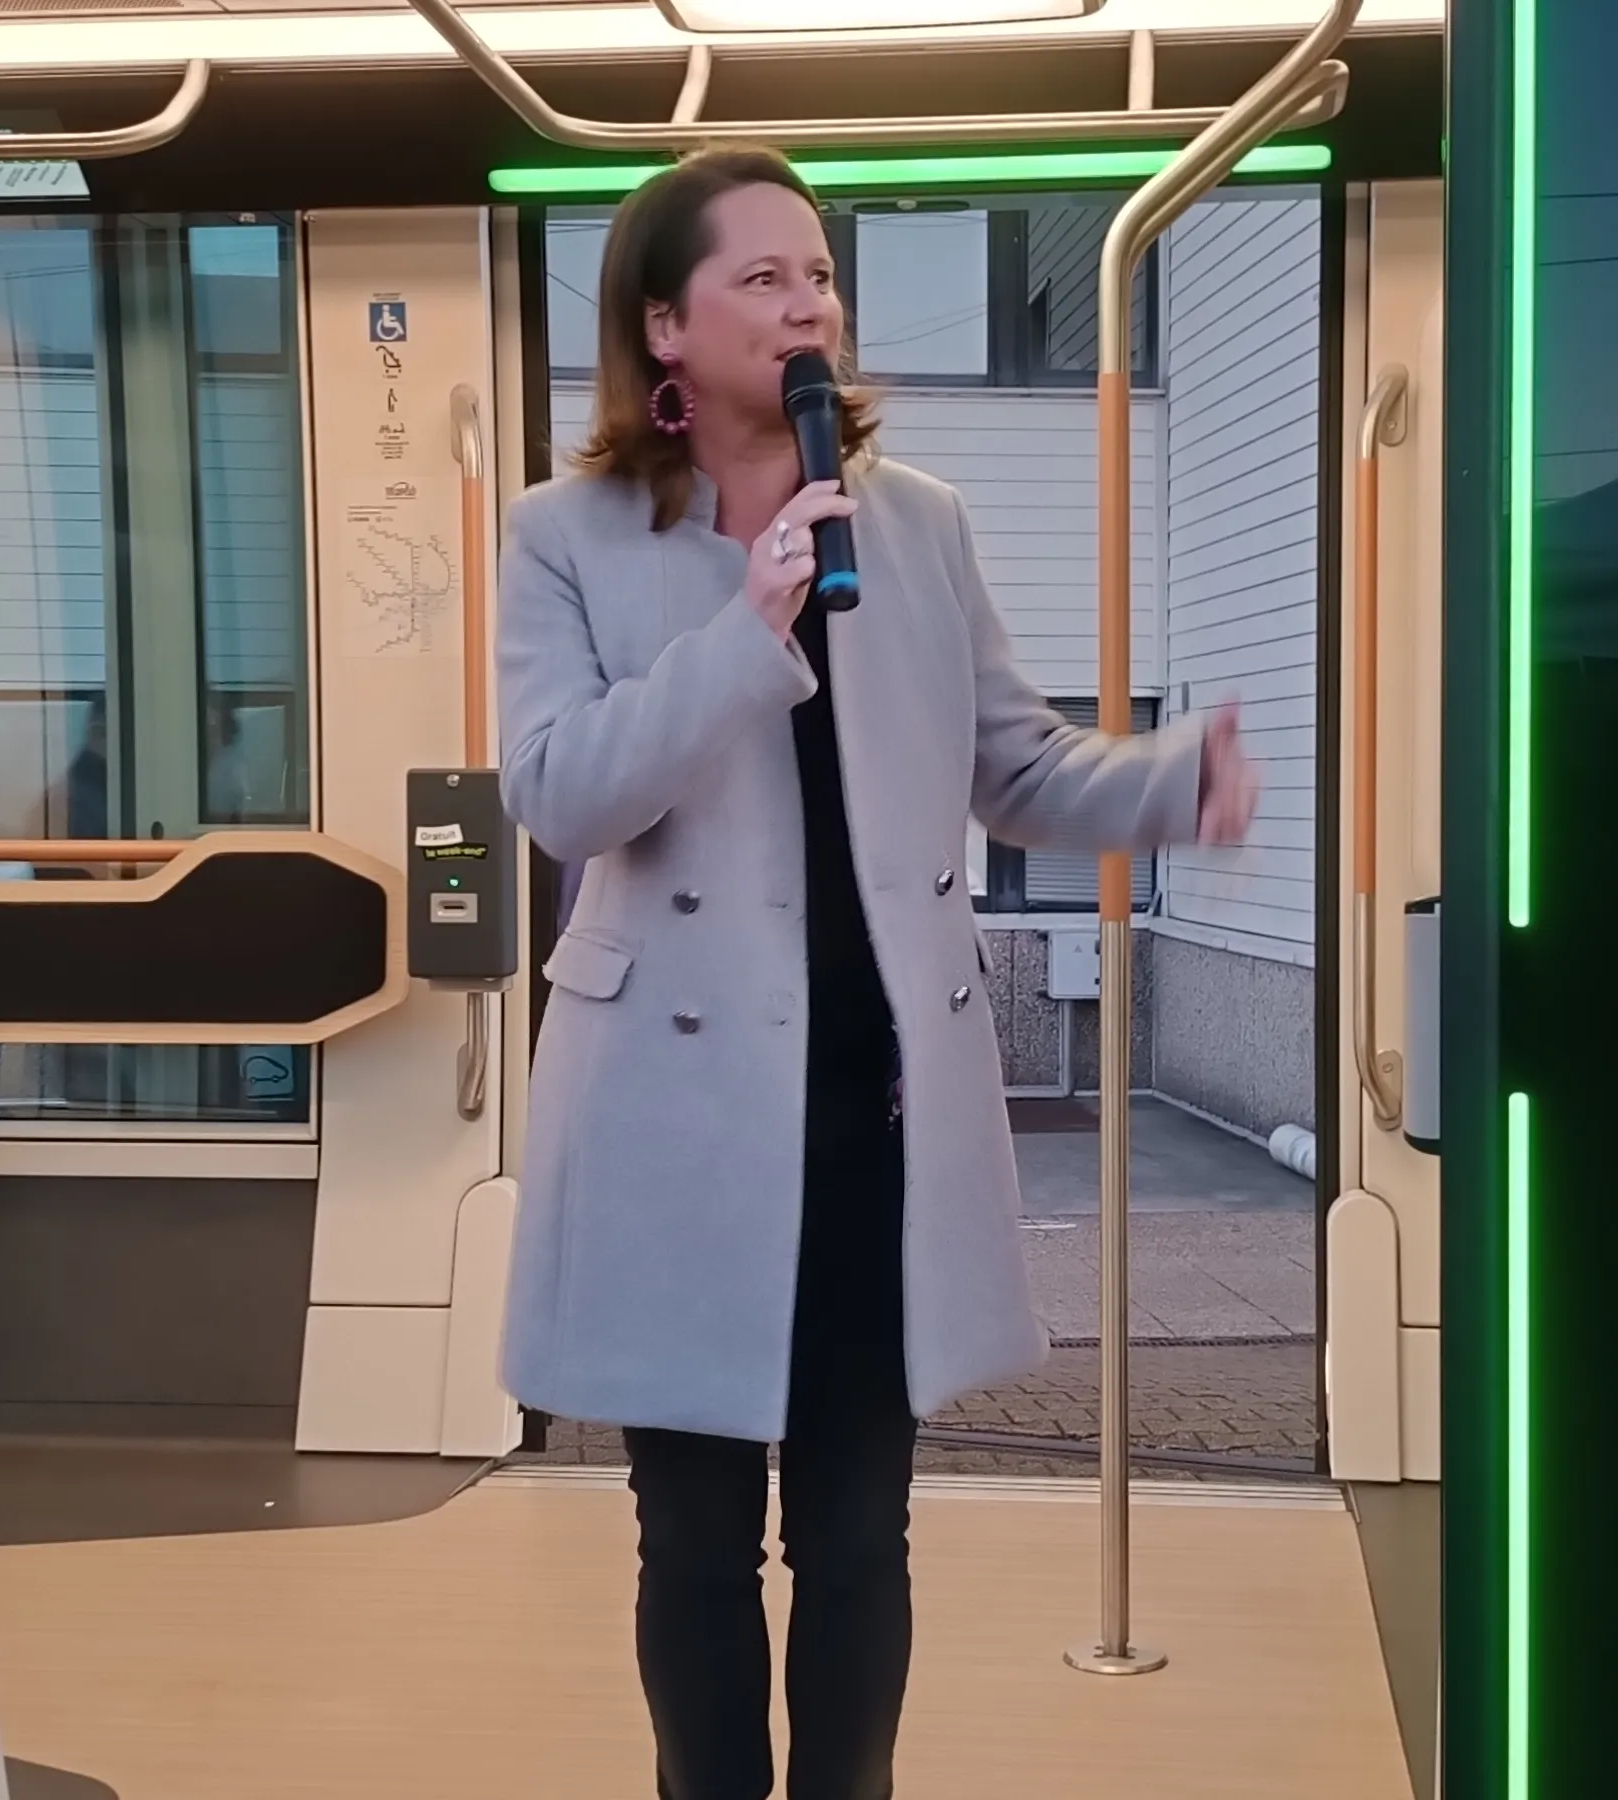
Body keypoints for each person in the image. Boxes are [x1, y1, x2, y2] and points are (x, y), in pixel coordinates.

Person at [493, 145, 1254, 1800]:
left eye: (821, 274)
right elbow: (559, 796)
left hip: (877, 1115)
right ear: (665, 326)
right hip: (673, 1121)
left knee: (857, 1539)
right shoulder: (568, 535)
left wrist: (1167, 784)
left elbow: (1017, 767)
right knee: (694, 1543)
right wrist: (743, 630)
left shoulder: (916, 525)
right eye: (762, 278)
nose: (808, 306)